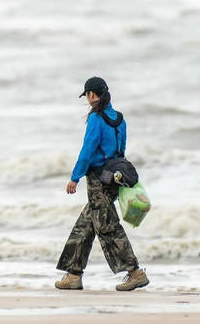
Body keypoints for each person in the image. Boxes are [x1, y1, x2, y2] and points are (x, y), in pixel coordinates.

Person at [55, 76, 149, 291]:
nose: (87, 99)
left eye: (87, 95)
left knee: (107, 227)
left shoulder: (96, 119)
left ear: (91, 95)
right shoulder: (119, 118)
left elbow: (87, 150)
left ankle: (135, 272)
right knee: (85, 225)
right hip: (115, 176)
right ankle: (73, 274)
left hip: (98, 179)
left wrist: (75, 177)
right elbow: (121, 149)